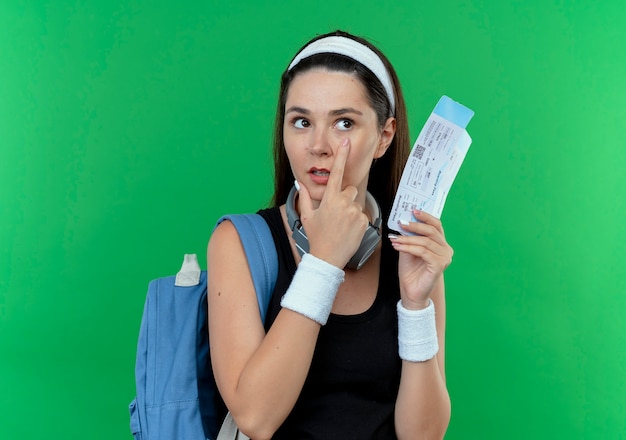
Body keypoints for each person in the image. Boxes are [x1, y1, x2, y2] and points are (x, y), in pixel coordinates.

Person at [207, 30, 453, 440]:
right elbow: (255, 418)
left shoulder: (411, 250)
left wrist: (415, 305)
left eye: (343, 123)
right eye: (301, 122)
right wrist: (322, 262)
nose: (318, 146)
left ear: (384, 136)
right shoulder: (239, 242)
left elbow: (422, 436)